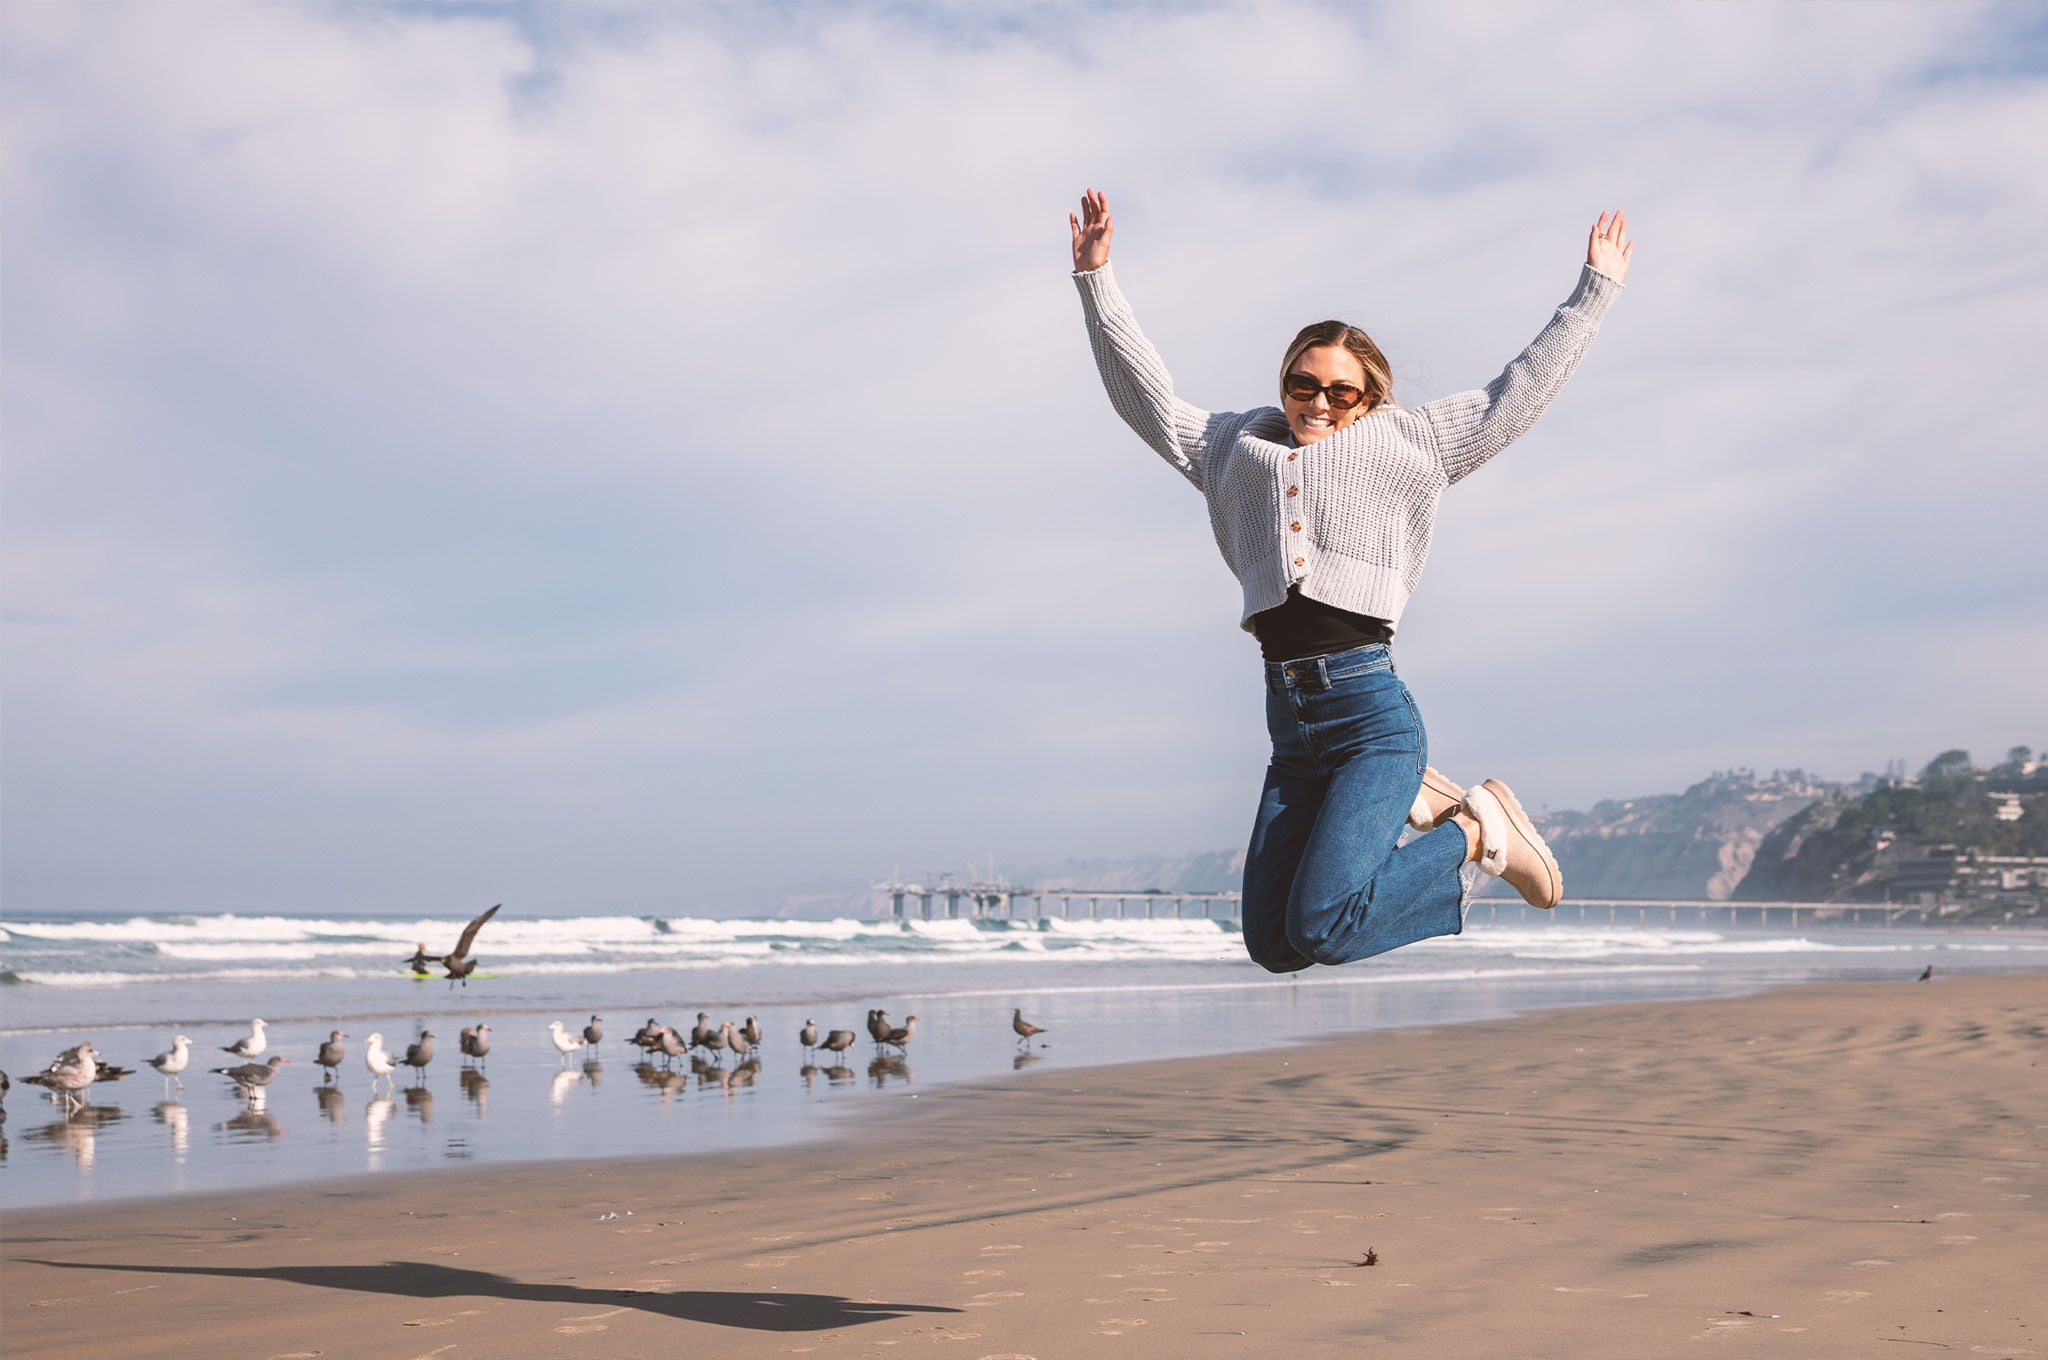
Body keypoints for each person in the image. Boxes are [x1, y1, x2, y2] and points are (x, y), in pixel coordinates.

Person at [1068, 189, 1632, 972]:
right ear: (1285, 382)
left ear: (1369, 398)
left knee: (1325, 927)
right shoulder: (1233, 446)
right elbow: (1146, 398)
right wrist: (1097, 282)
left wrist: (1593, 293)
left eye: (1342, 391)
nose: (1320, 402)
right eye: (1304, 384)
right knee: (1276, 944)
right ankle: (1427, 804)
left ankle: (1473, 829)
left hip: (1368, 711)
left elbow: (1517, 393)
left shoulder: (1411, 443)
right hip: (1289, 723)